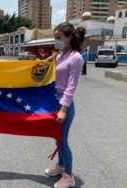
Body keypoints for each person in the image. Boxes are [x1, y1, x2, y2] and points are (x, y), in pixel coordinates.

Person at [44, 22, 85, 188]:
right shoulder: (60, 54)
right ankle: (61, 166)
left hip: (63, 103)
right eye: (55, 38)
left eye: (59, 38)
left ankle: (69, 175)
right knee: (57, 138)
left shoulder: (76, 57)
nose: (56, 41)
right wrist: (51, 60)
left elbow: (70, 86)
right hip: (53, 100)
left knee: (63, 141)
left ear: (69, 38)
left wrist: (63, 109)